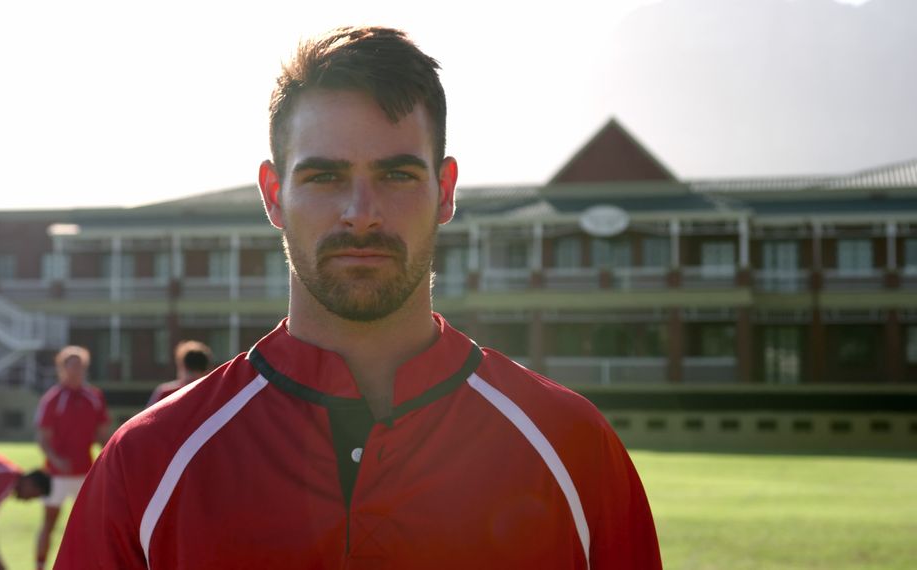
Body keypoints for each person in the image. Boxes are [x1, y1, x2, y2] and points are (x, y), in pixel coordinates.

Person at [56, 26, 661, 569]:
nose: (361, 214)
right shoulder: (149, 462)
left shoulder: (572, 446)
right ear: (273, 194)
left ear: (445, 191)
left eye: (398, 174)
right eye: (325, 176)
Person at [34, 345, 110, 570]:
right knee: (49, 523)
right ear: (62, 368)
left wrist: (105, 459)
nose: (76, 370)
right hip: (56, 475)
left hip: (85, 472)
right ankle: (39, 565)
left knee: (90, 525)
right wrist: (56, 459)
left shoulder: (94, 396)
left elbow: (103, 434)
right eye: (72, 365)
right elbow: (42, 437)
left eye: (80, 365)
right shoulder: (53, 398)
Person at [146, 340, 214, 406]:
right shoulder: (212, 393)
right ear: (207, 369)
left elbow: (149, 416)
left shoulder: (166, 393)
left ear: (181, 365)